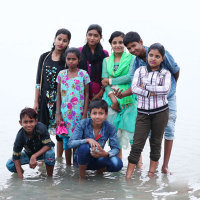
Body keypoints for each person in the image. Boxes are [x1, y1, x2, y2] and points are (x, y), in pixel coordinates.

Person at [119, 32, 180, 174]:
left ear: (140, 41)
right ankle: (152, 168)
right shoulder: (135, 62)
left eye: (134, 46)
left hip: (167, 99)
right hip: (147, 103)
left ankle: (165, 166)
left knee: (169, 129)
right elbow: (134, 86)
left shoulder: (158, 52)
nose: (133, 50)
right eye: (129, 48)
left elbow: (175, 70)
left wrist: (172, 88)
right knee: (152, 135)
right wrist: (122, 94)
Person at [33, 28, 71, 159]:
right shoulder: (44, 57)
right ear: (54, 39)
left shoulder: (67, 59)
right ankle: (42, 161)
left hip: (60, 100)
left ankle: (59, 161)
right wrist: (36, 101)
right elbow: (38, 81)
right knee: (42, 131)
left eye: (65, 41)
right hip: (44, 99)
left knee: (60, 133)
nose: (61, 42)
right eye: (59, 39)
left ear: (68, 43)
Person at [101, 31, 138, 159]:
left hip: (129, 100)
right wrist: (113, 100)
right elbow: (103, 82)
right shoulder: (106, 60)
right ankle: (119, 164)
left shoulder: (132, 59)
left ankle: (137, 166)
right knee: (115, 134)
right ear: (110, 44)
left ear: (125, 44)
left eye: (121, 42)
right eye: (114, 43)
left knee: (132, 133)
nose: (118, 45)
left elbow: (130, 78)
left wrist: (111, 80)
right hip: (110, 100)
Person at [67, 99, 123, 179]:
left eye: (101, 113)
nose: (97, 116)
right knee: (84, 147)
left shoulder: (110, 127)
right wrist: (87, 140)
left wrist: (106, 154)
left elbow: (116, 148)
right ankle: (82, 178)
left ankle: (100, 170)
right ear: (90, 114)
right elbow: (70, 143)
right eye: (94, 113)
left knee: (117, 163)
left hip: (99, 157)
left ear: (106, 114)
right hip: (81, 159)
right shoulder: (83, 123)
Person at [56, 48, 90, 165]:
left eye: (73, 59)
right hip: (65, 113)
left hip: (78, 113)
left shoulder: (83, 74)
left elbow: (86, 94)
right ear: (65, 59)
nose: (71, 61)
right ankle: (68, 166)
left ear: (78, 60)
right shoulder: (61, 74)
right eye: (68, 59)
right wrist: (58, 113)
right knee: (66, 141)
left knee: (76, 140)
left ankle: (76, 164)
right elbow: (59, 94)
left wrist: (85, 113)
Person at [6, 108, 55, 179]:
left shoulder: (41, 128)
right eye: (25, 122)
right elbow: (16, 157)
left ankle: (49, 178)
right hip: (29, 153)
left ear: (36, 121)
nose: (28, 125)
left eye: (31, 121)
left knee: (50, 154)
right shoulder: (20, 136)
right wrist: (21, 178)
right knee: (10, 164)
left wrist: (34, 156)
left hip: (44, 151)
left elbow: (48, 145)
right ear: (20, 123)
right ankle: (21, 172)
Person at [79, 24, 109, 101]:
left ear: (100, 37)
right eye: (90, 35)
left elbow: (106, 74)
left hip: (99, 92)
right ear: (86, 35)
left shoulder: (104, 54)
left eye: (96, 35)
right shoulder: (79, 51)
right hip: (80, 90)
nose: (92, 38)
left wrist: (101, 92)